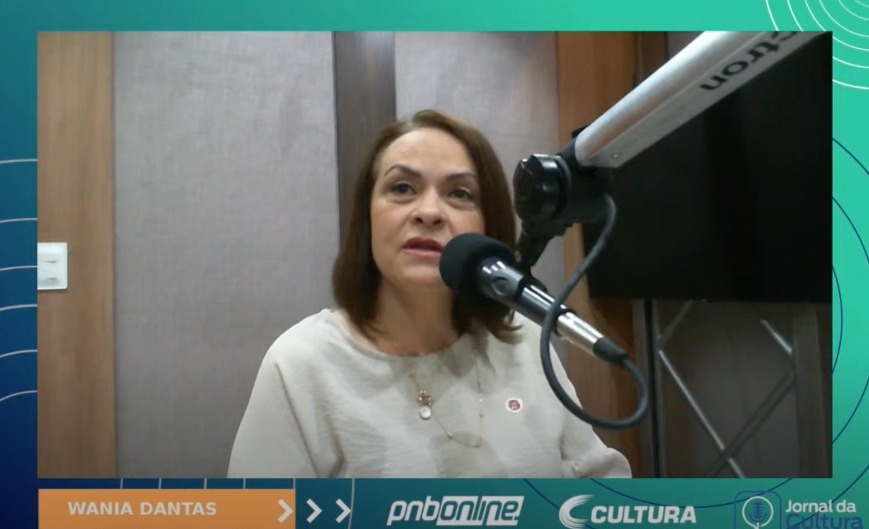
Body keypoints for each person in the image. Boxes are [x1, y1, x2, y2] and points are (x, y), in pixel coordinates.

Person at [227, 109, 631, 478]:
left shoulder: (524, 338)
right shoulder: (300, 363)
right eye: (402, 188)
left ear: (487, 225)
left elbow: (600, 486)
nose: (429, 212)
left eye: (460, 194)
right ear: (367, 219)